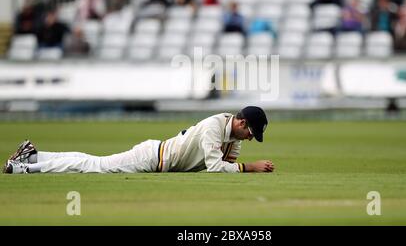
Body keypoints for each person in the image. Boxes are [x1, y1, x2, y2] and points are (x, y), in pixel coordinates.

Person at [3, 106, 274, 174]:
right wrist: (250, 167)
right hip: (151, 158)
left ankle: (35, 156)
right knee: (92, 165)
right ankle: (25, 167)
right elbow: (217, 168)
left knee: (91, 161)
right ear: (241, 122)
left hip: (158, 155)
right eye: (251, 132)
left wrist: (240, 168)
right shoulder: (214, 127)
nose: (250, 138)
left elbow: (228, 167)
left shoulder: (233, 136)